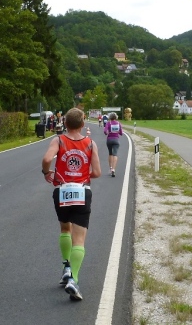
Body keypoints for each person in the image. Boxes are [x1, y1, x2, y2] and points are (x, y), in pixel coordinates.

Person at [42, 108, 102, 301]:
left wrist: (47, 172)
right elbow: (97, 172)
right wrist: (82, 176)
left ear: (65, 123)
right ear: (83, 124)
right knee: (79, 239)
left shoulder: (58, 140)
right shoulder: (90, 143)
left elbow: (46, 159)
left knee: (65, 229)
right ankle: (73, 279)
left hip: (62, 190)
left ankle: (65, 267)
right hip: (82, 191)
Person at [103, 112, 123, 177]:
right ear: (116, 117)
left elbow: (105, 131)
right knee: (115, 154)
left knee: (110, 153)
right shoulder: (118, 123)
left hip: (109, 140)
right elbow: (121, 133)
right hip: (116, 140)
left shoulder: (108, 123)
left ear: (110, 117)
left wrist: (107, 133)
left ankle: (110, 168)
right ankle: (113, 169)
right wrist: (117, 132)